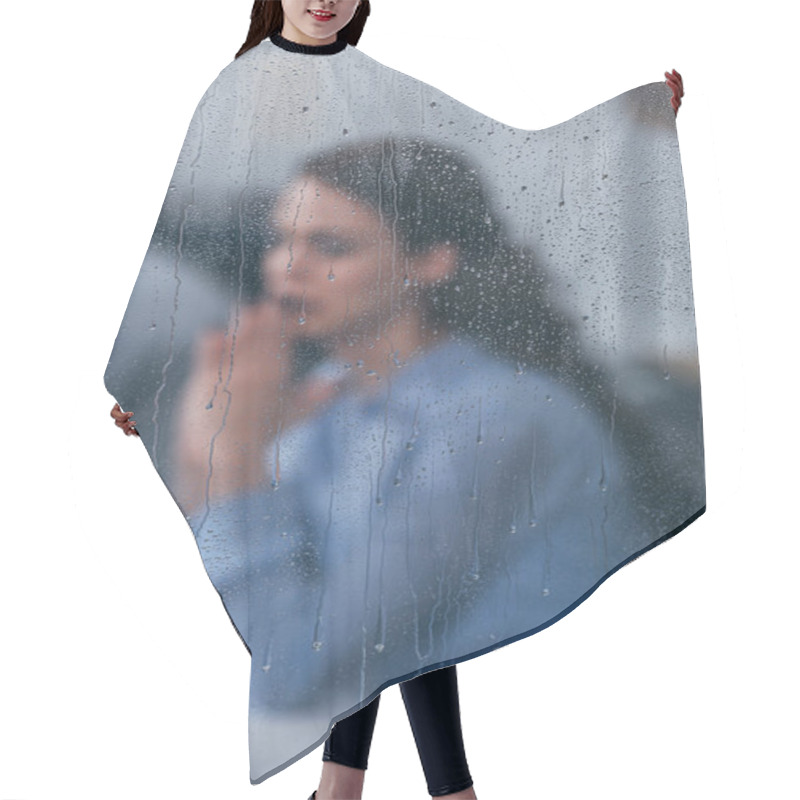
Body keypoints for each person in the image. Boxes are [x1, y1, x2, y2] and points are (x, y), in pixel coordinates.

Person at [109, 4, 686, 799]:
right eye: (281, 240)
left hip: (399, 578)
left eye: (331, 245)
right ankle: (379, 788)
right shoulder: (331, 405)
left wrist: (237, 457)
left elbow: (318, 658)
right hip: (384, 556)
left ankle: (395, 791)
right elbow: (358, 608)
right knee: (383, 584)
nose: (286, 271)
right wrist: (164, 399)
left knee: (385, 593)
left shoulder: (498, 418)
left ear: (433, 259)